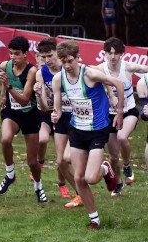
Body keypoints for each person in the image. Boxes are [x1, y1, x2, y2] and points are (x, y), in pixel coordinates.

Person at [51, 40, 124, 229]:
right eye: (64, 62)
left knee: (91, 178)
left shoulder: (90, 74)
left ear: (78, 58)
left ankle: (106, 169)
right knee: (79, 179)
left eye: (70, 61)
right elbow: (57, 106)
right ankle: (95, 219)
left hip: (98, 130)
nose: (67, 65)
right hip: (77, 130)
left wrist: (120, 112)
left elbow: (118, 83)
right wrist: (56, 113)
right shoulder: (59, 79)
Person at [0, 36, 44, 201]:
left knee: (32, 162)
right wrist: (2, 95)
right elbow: (4, 78)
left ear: (25, 54)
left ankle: (38, 187)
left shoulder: (32, 71)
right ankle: (10, 174)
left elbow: (24, 99)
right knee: (6, 139)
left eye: (17, 54)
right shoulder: (6, 65)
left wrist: (8, 86)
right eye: (10, 53)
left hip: (30, 114)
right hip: (12, 112)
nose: (13, 57)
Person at [33, 39, 80, 205]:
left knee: (69, 159)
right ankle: (79, 193)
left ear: (58, 55)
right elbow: (45, 106)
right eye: (44, 56)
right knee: (61, 160)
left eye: (50, 56)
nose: (47, 60)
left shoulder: (69, 67)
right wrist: (39, 94)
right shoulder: (41, 73)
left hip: (76, 117)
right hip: (58, 117)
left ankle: (82, 187)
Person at [98, 37, 147, 195]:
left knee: (122, 137)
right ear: (105, 54)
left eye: (116, 53)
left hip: (129, 111)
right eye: (110, 53)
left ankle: (126, 166)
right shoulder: (100, 69)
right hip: (109, 115)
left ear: (121, 54)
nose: (113, 57)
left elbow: (146, 69)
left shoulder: (128, 67)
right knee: (112, 157)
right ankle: (118, 183)